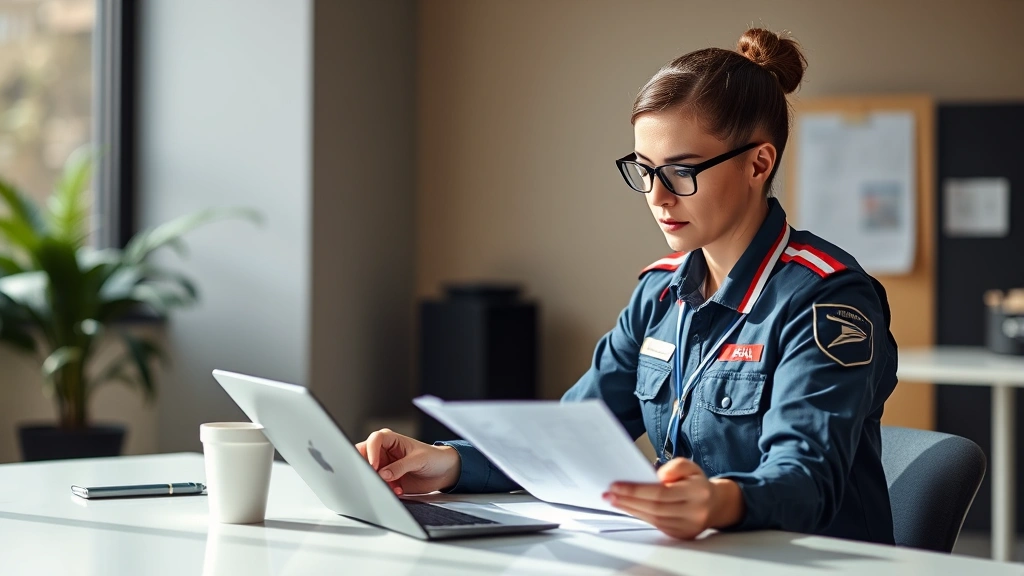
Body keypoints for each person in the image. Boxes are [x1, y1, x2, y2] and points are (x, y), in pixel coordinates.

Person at [356, 27, 898, 545]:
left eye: (681, 172)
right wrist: (448, 460)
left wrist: (716, 501)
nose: (658, 198)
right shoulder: (659, 294)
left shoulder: (826, 299)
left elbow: (806, 481)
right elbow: (568, 436)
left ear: (759, 163)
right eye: (645, 170)